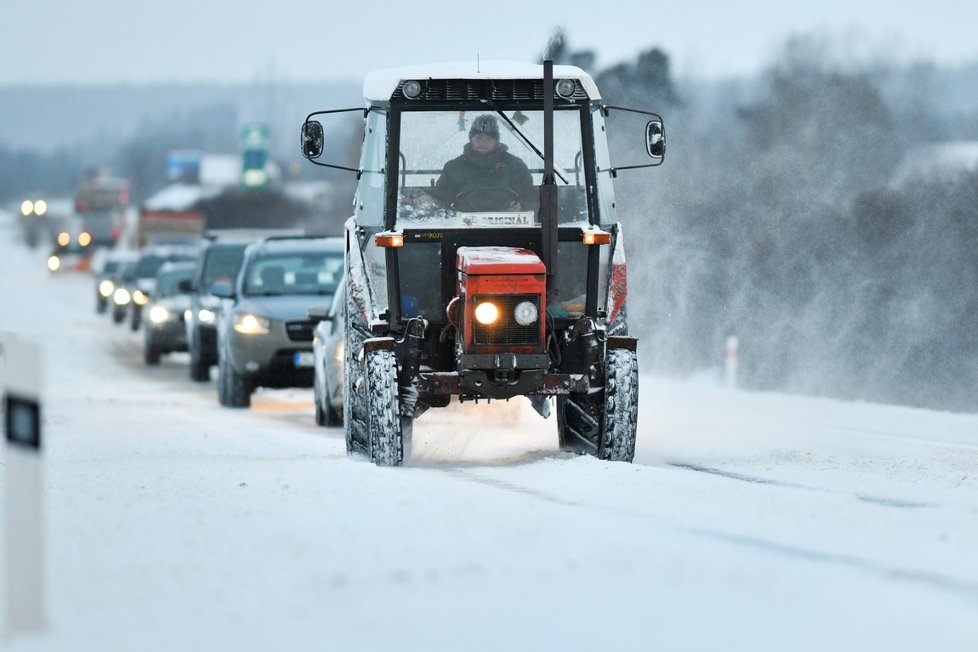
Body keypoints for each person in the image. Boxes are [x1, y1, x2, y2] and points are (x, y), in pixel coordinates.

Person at [434, 114, 535, 213]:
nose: (483, 143)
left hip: (510, 226)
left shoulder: (514, 165)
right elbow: (441, 196)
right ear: (471, 139)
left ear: (496, 140)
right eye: (478, 138)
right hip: (464, 226)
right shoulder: (455, 167)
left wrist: (521, 206)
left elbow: (530, 196)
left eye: (488, 139)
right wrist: (429, 199)